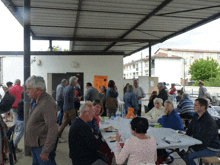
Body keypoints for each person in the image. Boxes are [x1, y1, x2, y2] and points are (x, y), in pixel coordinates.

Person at [25, 75, 58, 165]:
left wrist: (46, 151)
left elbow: (53, 128)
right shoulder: (36, 100)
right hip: (36, 145)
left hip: (42, 146)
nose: (27, 91)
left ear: (38, 89)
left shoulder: (47, 103)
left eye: (29, 89)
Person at [178, 98, 220, 165]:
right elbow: (189, 130)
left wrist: (192, 150)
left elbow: (205, 141)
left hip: (211, 148)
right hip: (200, 145)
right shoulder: (196, 116)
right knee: (180, 151)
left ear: (202, 107)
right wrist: (182, 141)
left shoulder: (209, 121)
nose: (193, 106)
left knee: (188, 156)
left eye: (195, 105)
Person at [58, 76, 81, 143]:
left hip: (65, 107)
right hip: (71, 108)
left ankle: (58, 135)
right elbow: (72, 99)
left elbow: (63, 97)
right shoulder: (71, 88)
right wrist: (78, 98)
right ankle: (74, 138)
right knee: (74, 123)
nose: (76, 83)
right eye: (76, 81)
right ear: (74, 82)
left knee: (64, 123)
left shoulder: (66, 87)